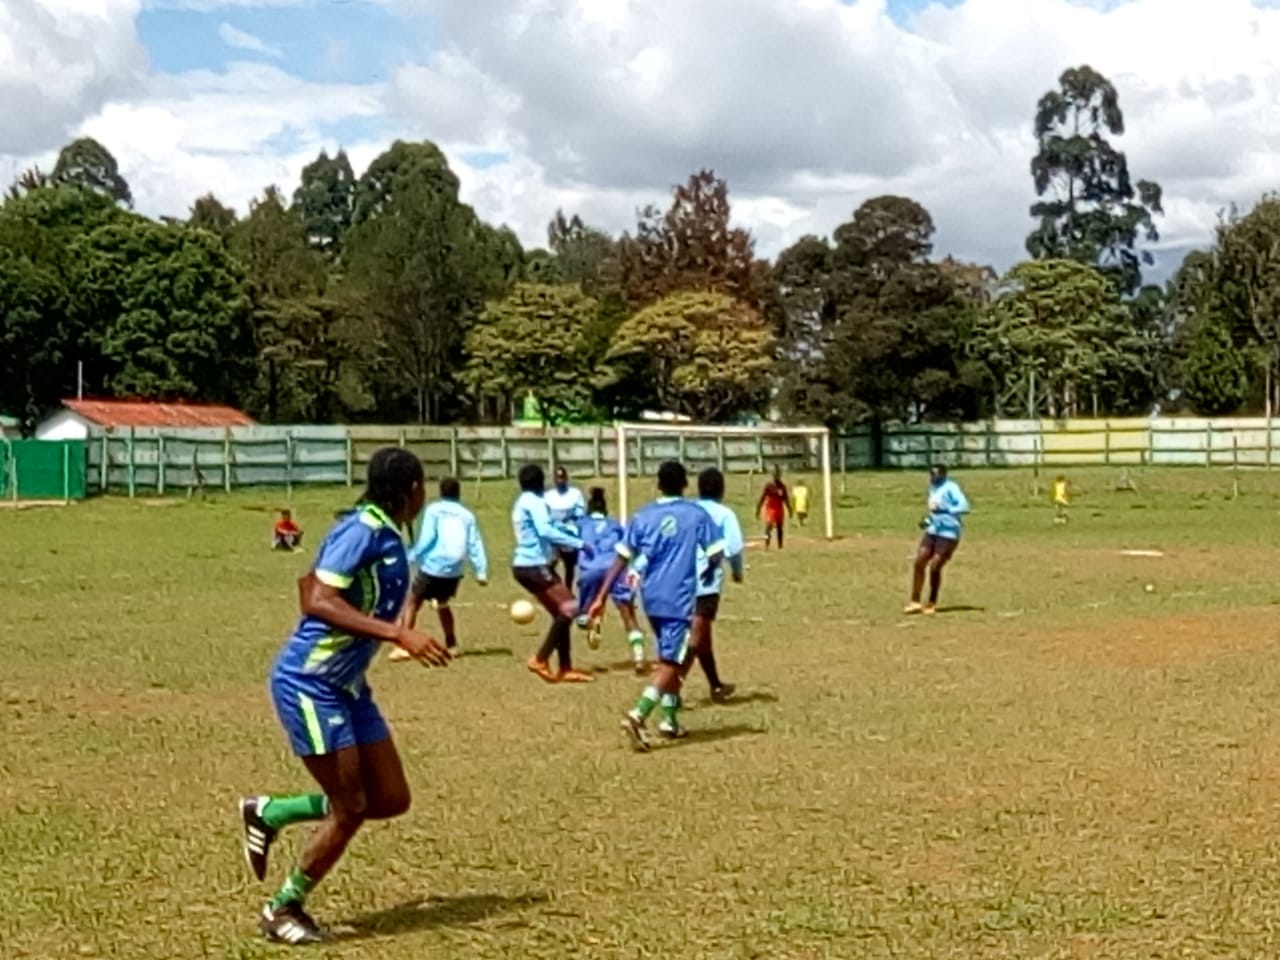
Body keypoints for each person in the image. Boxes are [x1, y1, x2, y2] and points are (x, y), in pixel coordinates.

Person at [240, 447, 451, 945]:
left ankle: (272, 812)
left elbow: (309, 579)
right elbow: (314, 597)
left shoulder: (383, 531)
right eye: (421, 485)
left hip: (348, 687)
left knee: (391, 798)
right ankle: (282, 908)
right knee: (352, 807)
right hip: (311, 686)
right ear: (411, 491)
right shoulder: (363, 531)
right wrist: (397, 633)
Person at [588, 461, 724, 750]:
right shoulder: (696, 515)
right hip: (680, 599)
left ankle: (670, 721)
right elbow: (716, 552)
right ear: (685, 485)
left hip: (651, 599)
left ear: (658, 485)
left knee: (668, 656)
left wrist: (601, 596)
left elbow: (621, 558)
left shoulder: (642, 517)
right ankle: (637, 716)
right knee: (672, 663)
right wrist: (710, 570)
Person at [512, 464, 593, 683]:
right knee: (571, 607)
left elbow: (546, 527)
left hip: (529, 565)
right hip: (533, 565)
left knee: (561, 612)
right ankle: (540, 658)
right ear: (541, 482)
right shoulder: (535, 502)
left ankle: (565, 668)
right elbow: (545, 530)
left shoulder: (523, 501)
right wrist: (579, 543)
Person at [393, 477, 488, 657]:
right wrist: (481, 571)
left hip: (434, 565)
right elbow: (474, 542)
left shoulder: (434, 510)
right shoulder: (467, 515)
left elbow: (428, 538)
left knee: (413, 601)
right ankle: (451, 643)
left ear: (441, 492)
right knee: (443, 604)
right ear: (458, 493)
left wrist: (412, 555)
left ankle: (403, 645)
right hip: (454, 569)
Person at [574, 487, 648, 675]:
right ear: (605, 509)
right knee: (628, 614)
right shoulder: (615, 525)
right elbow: (628, 548)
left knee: (584, 615)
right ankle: (639, 657)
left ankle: (591, 621)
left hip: (590, 571)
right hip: (615, 569)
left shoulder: (581, 524)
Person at [689, 468, 745, 703]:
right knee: (694, 639)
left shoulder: (688, 511)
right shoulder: (724, 514)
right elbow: (733, 548)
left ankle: (715, 685)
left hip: (679, 580)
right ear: (722, 490)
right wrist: (737, 572)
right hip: (706, 583)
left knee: (702, 638)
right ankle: (668, 688)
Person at [905, 465, 971, 616]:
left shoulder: (951, 488)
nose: (933, 478)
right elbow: (934, 511)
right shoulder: (932, 489)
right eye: (931, 475)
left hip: (949, 532)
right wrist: (928, 520)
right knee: (919, 561)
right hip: (933, 530)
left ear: (943, 475)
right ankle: (914, 601)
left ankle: (932, 602)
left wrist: (947, 510)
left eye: (936, 475)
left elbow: (964, 506)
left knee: (935, 566)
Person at [544, 466, 587, 592]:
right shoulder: (548, 496)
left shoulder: (575, 494)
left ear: (566, 478)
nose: (560, 481)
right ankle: (556, 586)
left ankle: (568, 589)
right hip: (553, 533)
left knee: (569, 566)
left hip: (569, 532)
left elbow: (580, 513)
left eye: (562, 477)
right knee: (551, 563)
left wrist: (570, 521)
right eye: (557, 478)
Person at [757, 466, 791, 550]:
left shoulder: (782, 486)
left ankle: (780, 545)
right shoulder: (769, 486)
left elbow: (786, 499)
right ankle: (767, 544)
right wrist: (758, 509)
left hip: (779, 507)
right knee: (768, 526)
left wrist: (790, 509)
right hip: (771, 507)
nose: (776, 476)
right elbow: (763, 497)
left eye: (778, 474)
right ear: (772, 475)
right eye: (775, 474)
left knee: (780, 527)